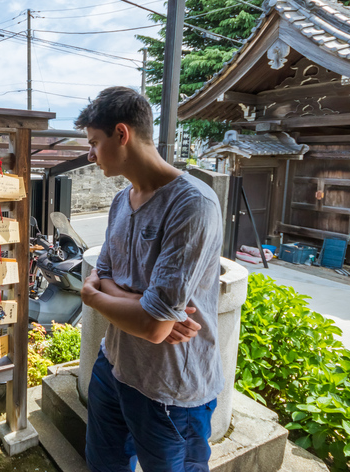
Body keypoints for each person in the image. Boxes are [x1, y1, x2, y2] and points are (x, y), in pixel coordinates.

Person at [76, 87, 223, 472]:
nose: (90, 155)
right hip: (115, 365)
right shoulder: (121, 200)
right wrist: (142, 307)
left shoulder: (192, 204)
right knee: (103, 465)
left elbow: (155, 327)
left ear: (121, 134)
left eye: (94, 143)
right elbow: (102, 273)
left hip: (171, 391)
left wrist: (96, 298)